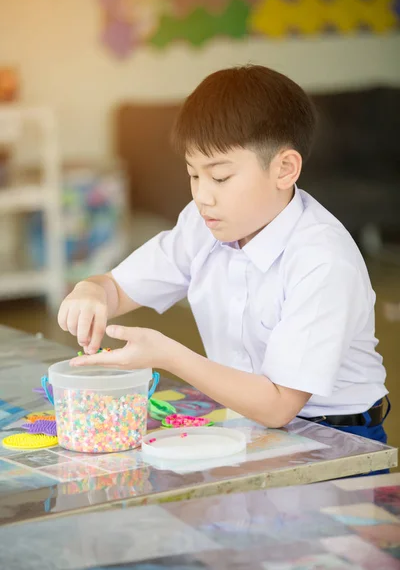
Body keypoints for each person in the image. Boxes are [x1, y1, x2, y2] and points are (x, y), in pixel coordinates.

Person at [58, 65, 389, 445]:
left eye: (219, 177)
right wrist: (92, 290)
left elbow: (279, 406)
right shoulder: (203, 225)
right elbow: (117, 287)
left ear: (285, 169)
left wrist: (167, 355)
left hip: (339, 436)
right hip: (249, 424)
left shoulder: (322, 259)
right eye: (193, 175)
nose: (202, 195)